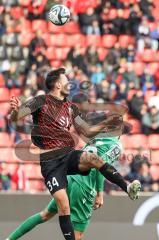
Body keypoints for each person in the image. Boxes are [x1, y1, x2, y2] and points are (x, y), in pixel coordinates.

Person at [10, 68, 141, 240]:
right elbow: (16, 117)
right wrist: (15, 111)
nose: (69, 84)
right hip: (50, 162)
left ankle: (128, 188)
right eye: (65, 80)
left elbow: (87, 132)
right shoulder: (40, 101)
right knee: (64, 207)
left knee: (94, 159)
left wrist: (107, 122)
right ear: (58, 84)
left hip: (67, 155)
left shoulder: (70, 108)